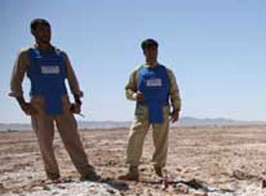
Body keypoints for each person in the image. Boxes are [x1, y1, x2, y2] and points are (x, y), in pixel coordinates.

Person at [9, 18, 99, 182]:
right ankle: (53, 175)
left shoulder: (60, 55)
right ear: (33, 32)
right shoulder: (26, 54)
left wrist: (77, 100)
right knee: (45, 141)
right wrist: (22, 103)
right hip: (39, 103)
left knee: (72, 138)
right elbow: (16, 80)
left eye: (48, 29)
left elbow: (72, 78)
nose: (46, 33)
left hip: (62, 101)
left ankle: (87, 172)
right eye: (42, 30)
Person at [119, 38, 182, 181]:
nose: (152, 53)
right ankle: (132, 170)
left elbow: (174, 91)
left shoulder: (167, 72)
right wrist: (135, 95)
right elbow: (128, 90)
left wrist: (176, 109)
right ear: (144, 52)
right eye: (149, 50)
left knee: (161, 141)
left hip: (161, 109)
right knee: (134, 137)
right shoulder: (138, 72)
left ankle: (158, 169)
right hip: (142, 110)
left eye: (154, 49)